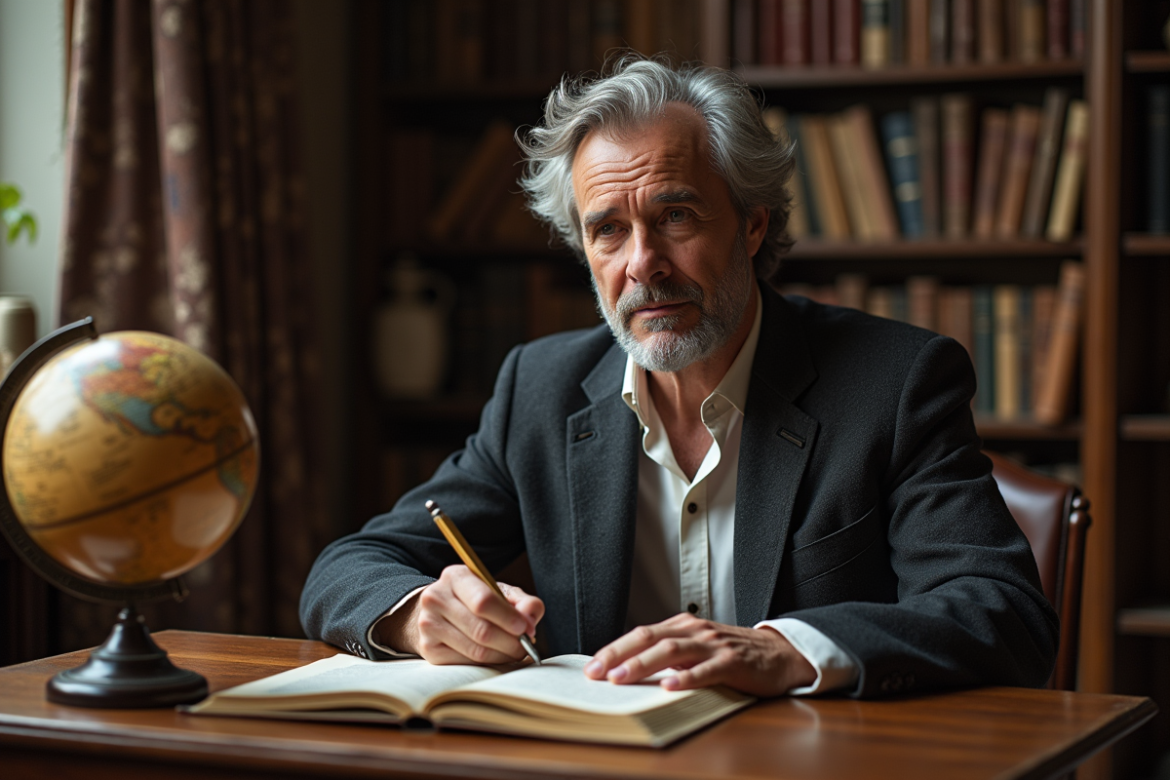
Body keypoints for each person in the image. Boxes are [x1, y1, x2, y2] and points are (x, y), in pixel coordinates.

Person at [301, 56, 1058, 698]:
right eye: (608, 230)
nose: (643, 265)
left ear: (753, 224)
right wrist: (416, 612)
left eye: (677, 217)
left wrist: (791, 649)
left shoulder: (895, 383)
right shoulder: (540, 387)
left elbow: (1000, 612)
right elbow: (349, 567)